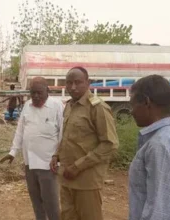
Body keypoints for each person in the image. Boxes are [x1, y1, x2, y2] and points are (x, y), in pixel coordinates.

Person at [50, 66, 119, 220]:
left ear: (88, 83)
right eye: (69, 83)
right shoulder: (68, 105)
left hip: (86, 181)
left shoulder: (98, 107)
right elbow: (68, 136)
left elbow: (109, 145)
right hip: (67, 178)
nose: (73, 87)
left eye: (78, 82)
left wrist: (78, 166)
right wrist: (57, 155)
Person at [0, 77, 64, 220]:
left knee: (51, 203)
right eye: (32, 92)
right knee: (36, 202)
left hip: (48, 165)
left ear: (47, 90)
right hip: (30, 164)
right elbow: (20, 130)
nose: (35, 96)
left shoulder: (57, 106)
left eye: (39, 92)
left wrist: (57, 156)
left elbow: (63, 134)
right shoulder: (27, 105)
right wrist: (13, 151)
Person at [128, 75, 170, 220]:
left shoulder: (159, 144)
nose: (131, 111)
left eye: (133, 105)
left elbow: (159, 208)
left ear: (146, 102)